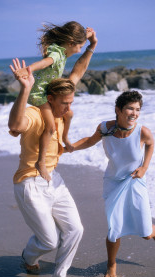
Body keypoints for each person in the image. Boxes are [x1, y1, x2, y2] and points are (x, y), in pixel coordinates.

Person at [8, 30, 97, 277]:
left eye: (71, 102)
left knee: (76, 229)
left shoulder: (62, 107)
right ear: (50, 99)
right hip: (29, 182)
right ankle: (29, 255)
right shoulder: (36, 115)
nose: (68, 108)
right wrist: (24, 89)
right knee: (48, 240)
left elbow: (77, 73)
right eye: (65, 104)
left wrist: (91, 47)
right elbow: (14, 125)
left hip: (52, 178)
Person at [67, 90, 155, 277]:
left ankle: (154, 231)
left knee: (145, 234)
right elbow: (89, 140)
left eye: (138, 109)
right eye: (130, 108)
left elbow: (151, 144)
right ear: (118, 110)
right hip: (113, 183)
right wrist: (69, 148)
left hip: (135, 181)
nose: (134, 113)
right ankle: (111, 264)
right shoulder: (105, 128)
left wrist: (144, 167)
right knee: (115, 229)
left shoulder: (142, 132)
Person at [12, 21, 94, 182]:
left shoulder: (62, 51)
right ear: (71, 43)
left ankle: (65, 139)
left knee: (69, 113)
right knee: (50, 127)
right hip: (39, 93)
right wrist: (28, 70)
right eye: (79, 47)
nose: (79, 50)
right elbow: (45, 62)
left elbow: (79, 70)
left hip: (47, 90)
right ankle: (40, 162)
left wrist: (91, 39)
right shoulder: (56, 55)